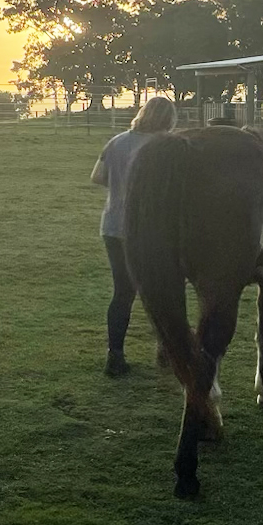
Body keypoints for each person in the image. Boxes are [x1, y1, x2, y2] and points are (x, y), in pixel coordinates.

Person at [90, 95, 177, 376]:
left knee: (123, 293)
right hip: (150, 231)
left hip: (114, 227)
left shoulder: (117, 142)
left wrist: (121, 186)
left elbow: (97, 176)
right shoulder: (164, 147)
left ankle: (114, 355)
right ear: (167, 120)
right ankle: (166, 348)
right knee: (162, 290)